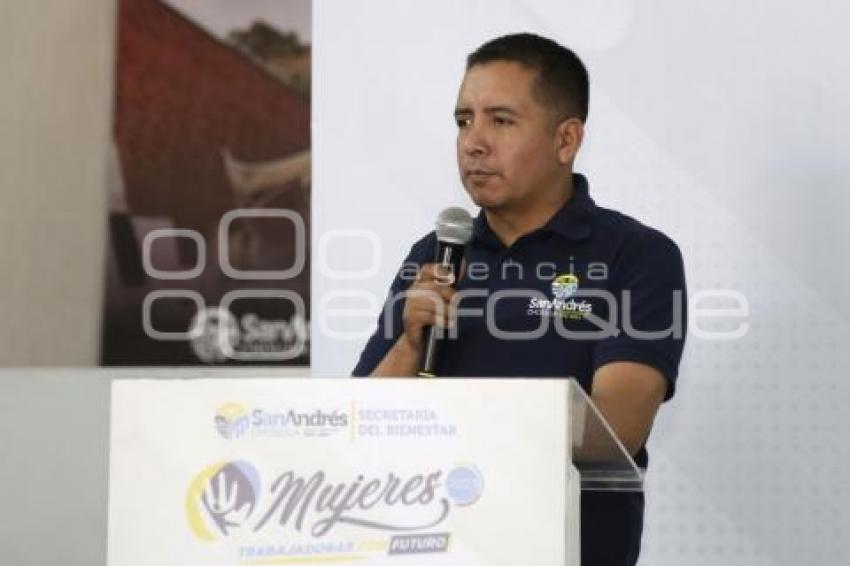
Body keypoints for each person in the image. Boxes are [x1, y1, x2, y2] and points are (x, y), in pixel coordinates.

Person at [353, 32, 687, 565]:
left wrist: (459, 445)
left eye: (501, 121)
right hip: (428, 547)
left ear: (566, 139)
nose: (473, 142)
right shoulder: (435, 254)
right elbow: (359, 428)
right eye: (464, 121)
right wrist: (407, 348)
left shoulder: (638, 255)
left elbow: (615, 429)